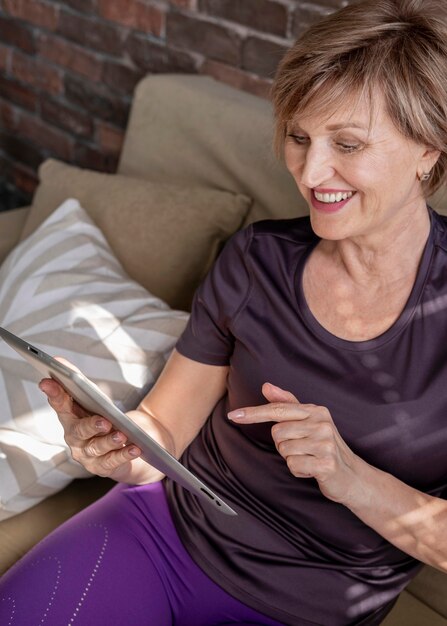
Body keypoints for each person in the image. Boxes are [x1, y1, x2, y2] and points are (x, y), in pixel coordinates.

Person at [1, 0, 447, 624]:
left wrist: (351, 476)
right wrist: (119, 447)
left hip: (308, 607)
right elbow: (166, 425)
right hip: (162, 532)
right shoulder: (257, 260)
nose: (312, 171)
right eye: (298, 137)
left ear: (428, 149)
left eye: (347, 143)